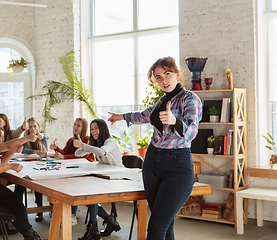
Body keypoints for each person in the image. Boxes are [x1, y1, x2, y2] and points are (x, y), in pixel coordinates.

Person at [107, 56, 202, 240]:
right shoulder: (161, 102)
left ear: (176, 74)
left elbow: (192, 132)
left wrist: (175, 121)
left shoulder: (190, 99)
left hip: (178, 166)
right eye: (158, 77)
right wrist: (121, 116)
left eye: (167, 74)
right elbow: (143, 115)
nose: (163, 80)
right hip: (152, 164)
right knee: (166, 226)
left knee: (156, 228)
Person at [74, 119, 123, 240]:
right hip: (105, 177)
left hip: (118, 179)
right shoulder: (96, 143)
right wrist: (83, 148)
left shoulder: (110, 141)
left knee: (91, 193)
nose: (94, 131)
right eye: (91, 129)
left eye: (96, 128)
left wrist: (85, 146)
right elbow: (77, 153)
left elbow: (102, 152)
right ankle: (108, 221)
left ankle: (94, 228)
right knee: (86, 195)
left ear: (103, 129)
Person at [49, 118, 95, 225]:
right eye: (74, 124)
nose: (75, 127)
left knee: (75, 192)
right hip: (75, 173)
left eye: (78, 125)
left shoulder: (88, 140)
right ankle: (71, 213)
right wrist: (56, 148)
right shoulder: (71, 141)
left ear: (84, 128)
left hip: (88, 173)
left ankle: (72, 215)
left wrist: (64, 157)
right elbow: (65, 153)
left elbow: (82, 157)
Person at [14, 117, 48, 222]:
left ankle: (40, 209)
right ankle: (17, 210)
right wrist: (36, 152)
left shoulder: (42, 136)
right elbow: (24, 150)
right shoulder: (25, 138)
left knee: (38, 187)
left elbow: (46, 135)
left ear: (38, 127)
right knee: (19, 185)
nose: (33, 129)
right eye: (30, 127)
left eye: (35, 126)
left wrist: (41, 136)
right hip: (27, 167)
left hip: (40, 167)